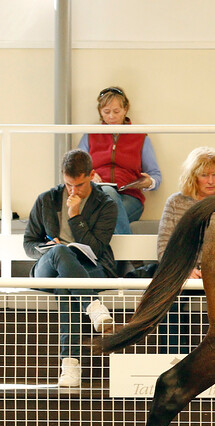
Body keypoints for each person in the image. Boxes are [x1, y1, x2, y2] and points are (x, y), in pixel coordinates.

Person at [23, 149, 118, 387]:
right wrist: (46, 248)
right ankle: (94, 307)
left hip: (88, 268)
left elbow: (95, 248)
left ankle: (70, 366)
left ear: (92, 175)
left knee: (66, 288)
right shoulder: (47, 199)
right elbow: (28, 244)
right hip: (48, 269)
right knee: (60, 252)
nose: (73, 191)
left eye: (80, 185)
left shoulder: (106, 203)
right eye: (68, 185)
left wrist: (75, 216)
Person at [156, 147, 215, 353]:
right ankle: (172, 358)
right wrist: (186, 270)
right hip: (183, 271)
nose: (210, 181)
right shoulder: (176, 202)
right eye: (204, 175)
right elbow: (164, 248)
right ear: (194, 177)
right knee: (169, 297)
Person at [78, 86, 162, 235]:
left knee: (104, 219)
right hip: (96, 196)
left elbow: (155, 176)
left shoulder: (140, 137)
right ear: (100, 112)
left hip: (130, 198)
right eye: (106, 112)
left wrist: (149, 182)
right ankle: (128, 258)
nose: (111, 117)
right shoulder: (90, 136)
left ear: (125, 110)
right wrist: (88, 177)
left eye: (116, 111)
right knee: (108, 194)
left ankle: (120, 259)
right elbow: (77, 170)